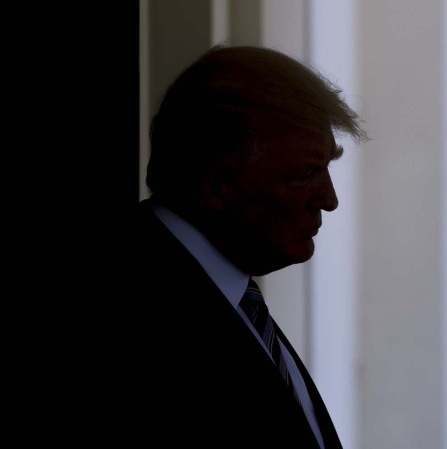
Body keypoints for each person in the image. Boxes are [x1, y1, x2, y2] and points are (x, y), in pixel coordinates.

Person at [116, 45, 368, 447]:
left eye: (326, 168)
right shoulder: (133, 309)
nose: (329, 199)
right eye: (303, 174)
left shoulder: (235, 301)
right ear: (216, 185)